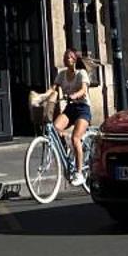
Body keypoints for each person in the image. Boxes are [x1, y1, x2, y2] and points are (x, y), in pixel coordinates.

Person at [45, 50, 95, 188]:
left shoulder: (81, 73)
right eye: (64, 57)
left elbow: (83, 90)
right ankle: (65, 146)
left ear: (74, 59)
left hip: (83, 109)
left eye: (68, 58)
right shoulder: (61, 74)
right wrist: (42, 97)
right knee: (55, 129)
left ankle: (79, 173)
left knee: (76, 138)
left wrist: (74, 95)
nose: (66, 60)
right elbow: (53, 89)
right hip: (70, 109)